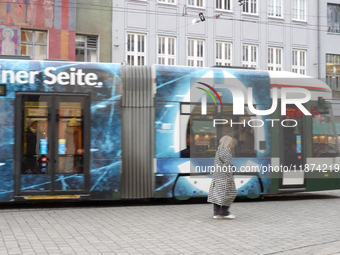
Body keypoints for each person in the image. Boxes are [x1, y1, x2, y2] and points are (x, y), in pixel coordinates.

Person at [208, 135, 238, 219]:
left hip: (217, 176)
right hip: (224, 177)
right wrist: (231, 174)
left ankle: (216, 213)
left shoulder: (219, 151)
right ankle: (224, 212)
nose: (232, 143)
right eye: (231, 142)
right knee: (230, 194)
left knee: (217, 194)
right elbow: (227, 165)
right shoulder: (226, 152)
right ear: (227, 143)